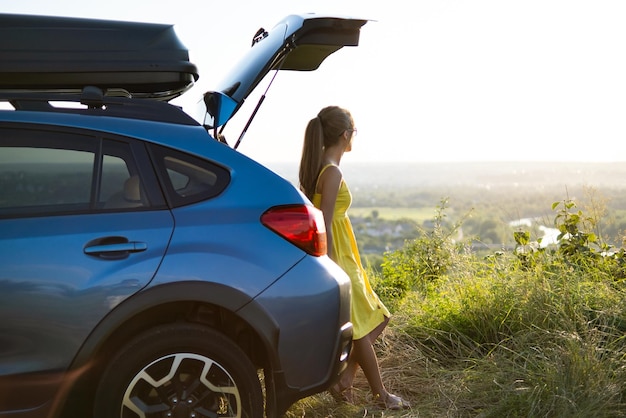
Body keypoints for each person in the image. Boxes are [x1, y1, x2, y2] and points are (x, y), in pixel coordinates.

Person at [298, 106, 410, 410]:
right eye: (354, 132)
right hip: (339, 258)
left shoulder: (321, 166)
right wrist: (333, 268)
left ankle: (345, 379)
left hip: (345, 254)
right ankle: (381, 395)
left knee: (378, 317)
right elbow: (327, 220)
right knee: (361, 326)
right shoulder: (331, 171)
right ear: (346, 134)